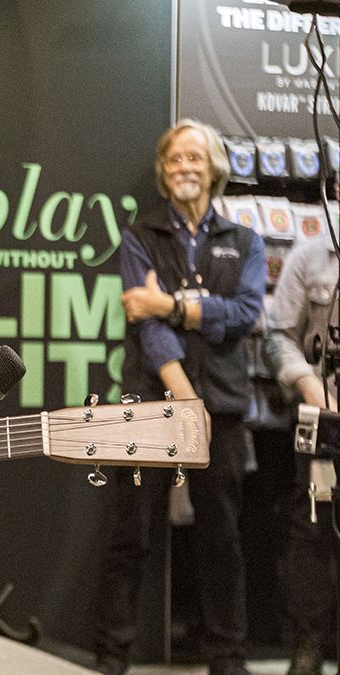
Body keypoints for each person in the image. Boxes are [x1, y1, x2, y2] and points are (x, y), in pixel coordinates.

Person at [93, 119, 265, 675]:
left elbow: (244, 314)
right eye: (174, 160)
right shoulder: (140, 237)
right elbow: (149, 332)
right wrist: (185, 399)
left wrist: (169, 304)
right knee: (132, 535)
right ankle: (113, 655)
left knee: (223, 540)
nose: (184, 167)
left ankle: (227, 657)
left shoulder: (245, 242)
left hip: (225, 409)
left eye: (194, 158)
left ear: (213, 169)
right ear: (164, 175)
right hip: (152, 405)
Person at [265, 231, 339, 675]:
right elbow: (279, 336)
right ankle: (307, 646)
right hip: (322, 421)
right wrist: (309, 385)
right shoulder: (309, 256)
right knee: (312, 526)